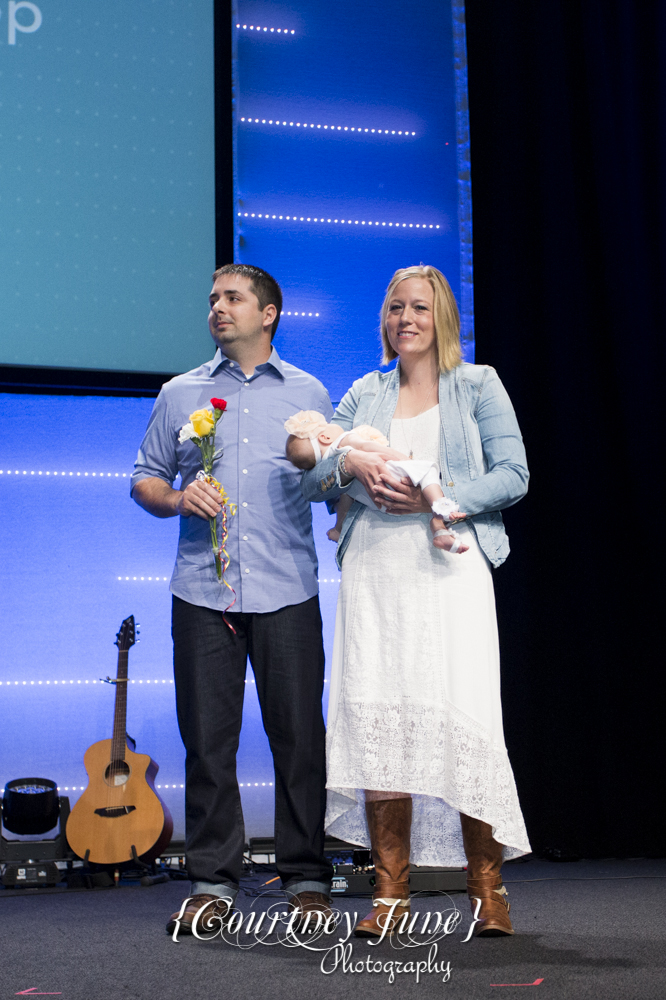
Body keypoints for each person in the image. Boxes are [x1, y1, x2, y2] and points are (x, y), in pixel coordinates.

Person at [301, 265, 531, 938]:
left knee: (465, 716)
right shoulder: (365, 393)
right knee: (382, 719)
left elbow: (513, 474)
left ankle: (487, 892)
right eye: (396, 307)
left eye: (420, 308)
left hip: (450, 566)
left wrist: (440, 494)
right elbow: (314, 472)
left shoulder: (478, 384)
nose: (406, 318)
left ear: (443, 317)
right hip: (375, 572)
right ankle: (391, 896)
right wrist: (353, 466)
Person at [131, 264, 334, 934]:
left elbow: (334, 481)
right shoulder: (179, 391)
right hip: (201, 591)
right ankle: (213, 881)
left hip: (287, 590)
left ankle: (306, 876)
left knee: (300, 739)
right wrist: (176, 496)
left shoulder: (308, 394)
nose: (218, 307)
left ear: (268, 313)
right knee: (208, 743)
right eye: (213, 299)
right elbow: (145, 478)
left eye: (233, 298)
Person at [284, 411, 469, 551]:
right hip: (392, 477)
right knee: (428, 470)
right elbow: (368, 446)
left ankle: (440, 531)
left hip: (381, 503)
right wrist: (407, 461)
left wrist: (338, 527)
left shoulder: (338, 470)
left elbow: (344, 505)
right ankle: (441, 506)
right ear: (324, 437)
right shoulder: (343, 440)